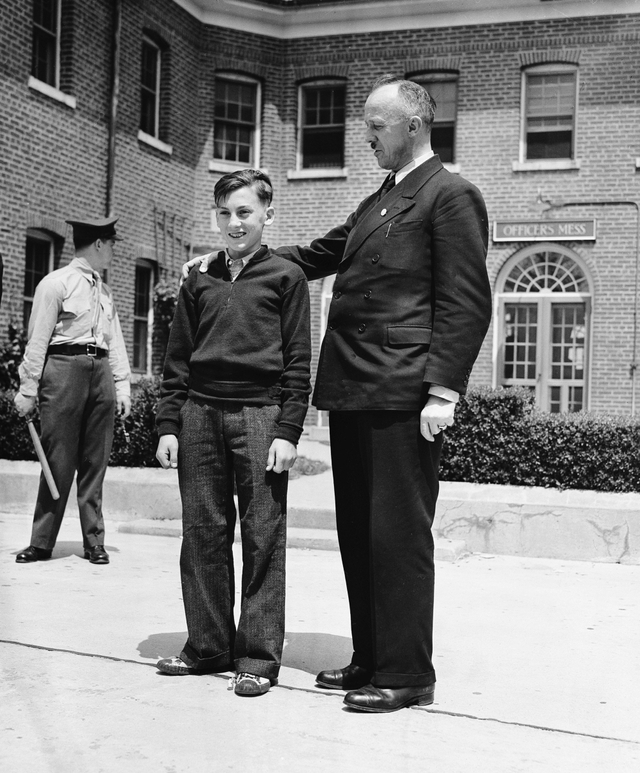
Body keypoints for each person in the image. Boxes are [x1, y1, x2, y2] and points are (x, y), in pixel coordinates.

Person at [184, 75, 492, 712]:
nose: (367, 137)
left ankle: (407, 673)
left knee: (398, 535)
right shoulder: (383, 196)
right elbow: (323, 252)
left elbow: (466, 302)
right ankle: (371, 656)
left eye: (377, 126)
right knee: (359, 530)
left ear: (412, 125)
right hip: (354, 387)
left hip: (405, 391)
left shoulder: (451, 195)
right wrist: (234, 258)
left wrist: (445, 390)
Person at [155, 169, 311, 697]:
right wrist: (169, 423)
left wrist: (288, 430)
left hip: (260, 417)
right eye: (224, 212)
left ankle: (258, 659)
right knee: (201, 531)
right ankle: (208, 646)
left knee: (263, 536)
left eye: (244, 211)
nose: (234, 222)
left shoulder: (286, 277)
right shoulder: (198, 278)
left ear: (268, 214)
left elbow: (297, 364)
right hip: (200, 414)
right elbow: (176, 359)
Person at [14, 217, 131, 565]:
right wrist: (28, 386)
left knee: (96, 461)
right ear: (98, 244)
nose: (113, 252)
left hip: (101, 375)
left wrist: (122, 385)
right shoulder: (55, 284)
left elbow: (116, 341)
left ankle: (94, 541)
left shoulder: (105, 292)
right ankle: (41, 542)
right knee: (58, 459)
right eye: (111, 244)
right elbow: (37, 340)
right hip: (64, 370)